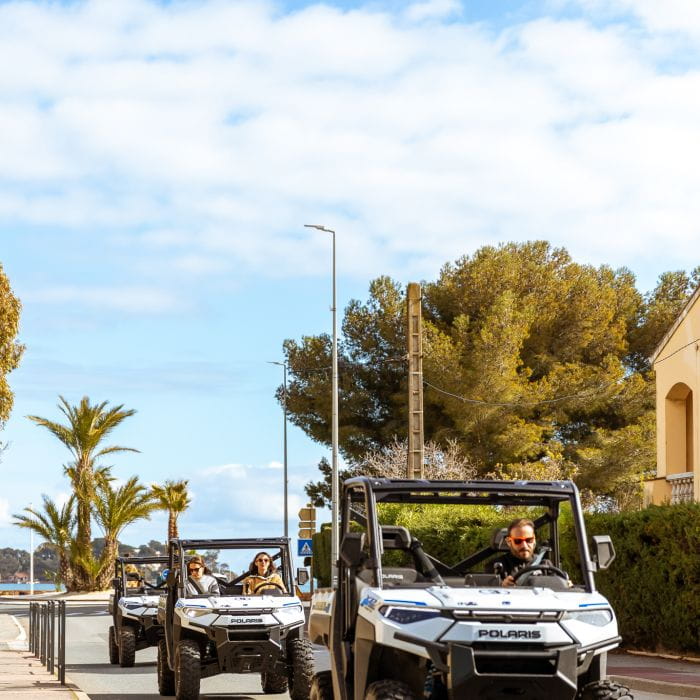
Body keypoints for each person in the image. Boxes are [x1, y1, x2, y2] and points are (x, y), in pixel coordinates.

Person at [491, 518, 549, 588]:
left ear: (534, 540)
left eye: (529, 540)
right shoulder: (496, 567)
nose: (524, 545)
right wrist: (501, 587)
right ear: (509, 542)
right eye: (518, 541)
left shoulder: (545, 565)